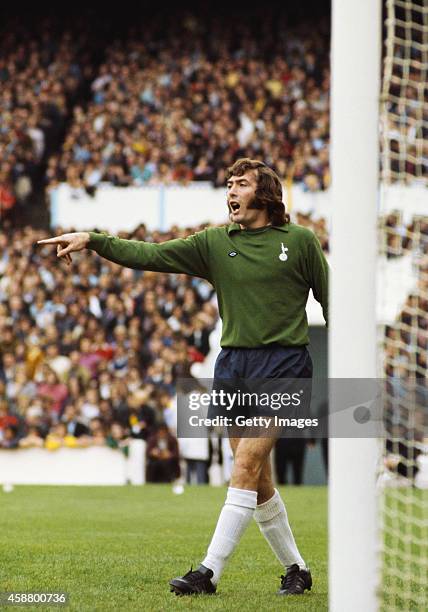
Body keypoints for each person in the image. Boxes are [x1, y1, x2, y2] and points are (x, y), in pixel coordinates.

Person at [37, 157, 328, 597]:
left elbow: (333, 301)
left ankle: (208, 572)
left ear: (265, 194)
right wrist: (93, 240)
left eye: (241, 184)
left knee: (247, 463)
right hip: (233, 367)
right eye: (228, 184)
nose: (230, 191)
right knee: (256, 475)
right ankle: (296, 569)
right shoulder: (214, 243)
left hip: (284, 366)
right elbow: (150, 255)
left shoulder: (301, 242)